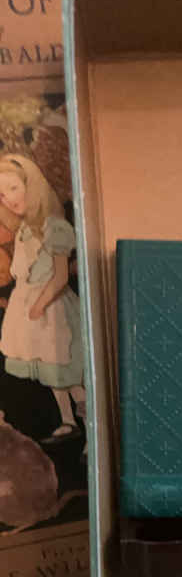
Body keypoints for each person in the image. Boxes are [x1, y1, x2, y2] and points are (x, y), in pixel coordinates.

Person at [0, 154, 85, 449]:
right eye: (2, 194)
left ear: (30, 185)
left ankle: (89, 428)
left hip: (52, 308)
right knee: (49, 370)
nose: (9, 199)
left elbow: (59, 276)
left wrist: (39, 305)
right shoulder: (24, 229)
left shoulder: (54, 226)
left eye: (13, 188)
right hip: (29, 306)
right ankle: (67, 420)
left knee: (66, 371)